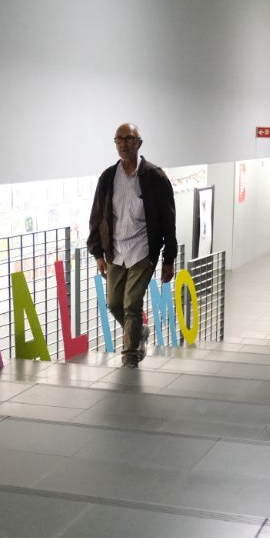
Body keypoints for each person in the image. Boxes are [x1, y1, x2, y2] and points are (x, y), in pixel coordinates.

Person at [86, 123, 177, 368]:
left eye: (128, 139)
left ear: (139, 143)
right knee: (114, 303)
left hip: (143, 250)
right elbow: (97, 216)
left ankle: (130, 356)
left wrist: (169, 258)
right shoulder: (108, 177)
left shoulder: (155, 177)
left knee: (131, 303)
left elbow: (168, 220)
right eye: (118, 139)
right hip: (115, 251)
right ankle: (140, 331)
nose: (123, 144)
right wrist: (98, 253)